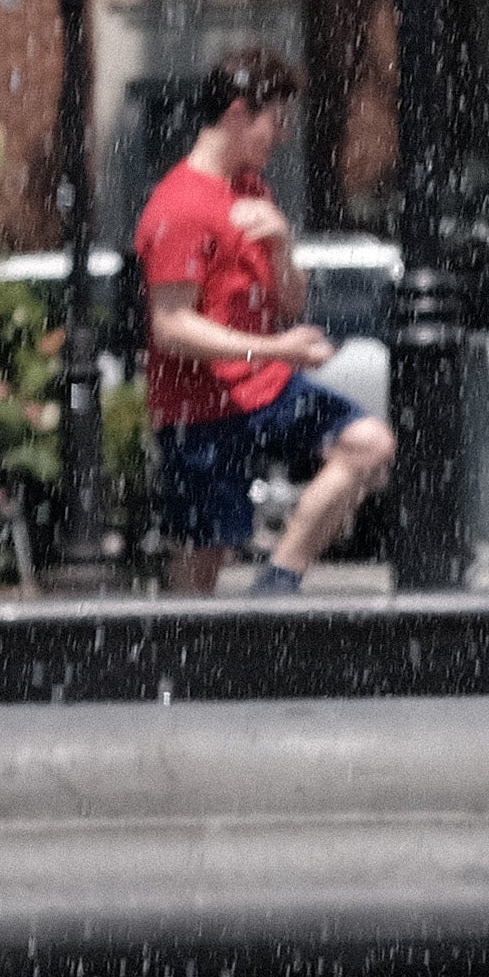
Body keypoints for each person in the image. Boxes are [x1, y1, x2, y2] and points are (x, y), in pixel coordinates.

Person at [135, 50, 386, 596]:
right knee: (198, 575)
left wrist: (282, 245)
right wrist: (275, 350)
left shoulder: (254, 190)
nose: (284, 134)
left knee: (369, 444)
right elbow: (171, 328)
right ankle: (182, 652)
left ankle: (276, 584)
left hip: (264, 390)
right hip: (199, 411)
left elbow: (291, 306)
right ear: (237, 113)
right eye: (277, 119)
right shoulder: (180, 206)